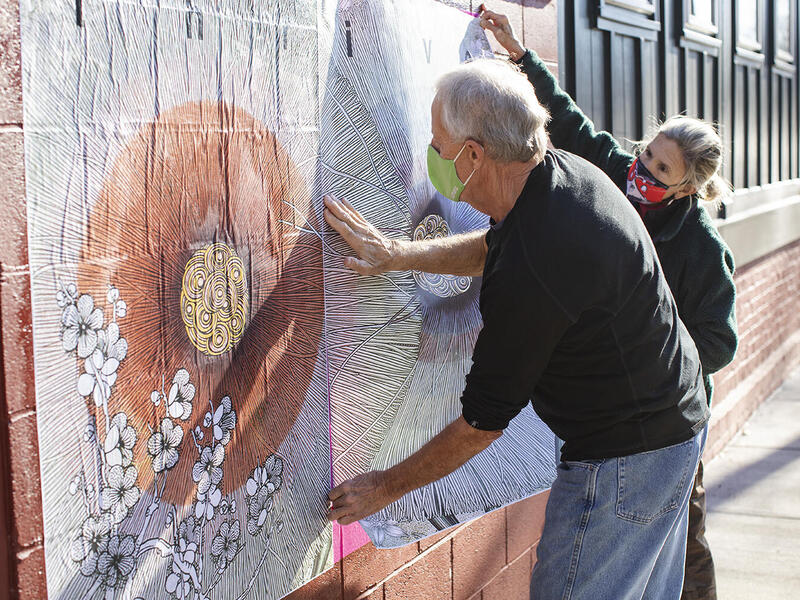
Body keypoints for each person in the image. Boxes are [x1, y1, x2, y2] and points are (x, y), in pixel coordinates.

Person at [325, 56, 710, 600]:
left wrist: (383, 487)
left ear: (473, 155)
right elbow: (496, 247)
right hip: (672, 427)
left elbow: (481, 424)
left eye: (437, 144)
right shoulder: (557, 177)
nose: (431, 153)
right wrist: (398, 255)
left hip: (627, 458)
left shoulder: (536, 263)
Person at [478, 10, 738, 599]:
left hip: (670, 407)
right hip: (621, 403)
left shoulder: (700, 247)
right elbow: (571, 125)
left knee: (681, 537)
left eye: (661, 169)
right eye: (647, 154)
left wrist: (658, 350)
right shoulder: (619, 176)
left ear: (687, 188)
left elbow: (720, 340)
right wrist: (519, 54)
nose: (643, 170)